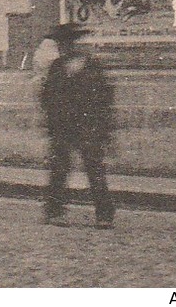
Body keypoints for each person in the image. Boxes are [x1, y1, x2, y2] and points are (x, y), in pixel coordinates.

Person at [39, 22, 116, 228]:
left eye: (65, 43)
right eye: (60, 44)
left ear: (73, 44)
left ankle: (104, 215)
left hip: (88, 126)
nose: (63, 47)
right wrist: (52, 121)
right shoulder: (57, 67)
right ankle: (55, 212)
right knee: (59, 170)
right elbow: (47, 96)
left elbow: (104, 98)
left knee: (94, 170)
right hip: (63, 127)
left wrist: (103, 128)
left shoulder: (91, 67)